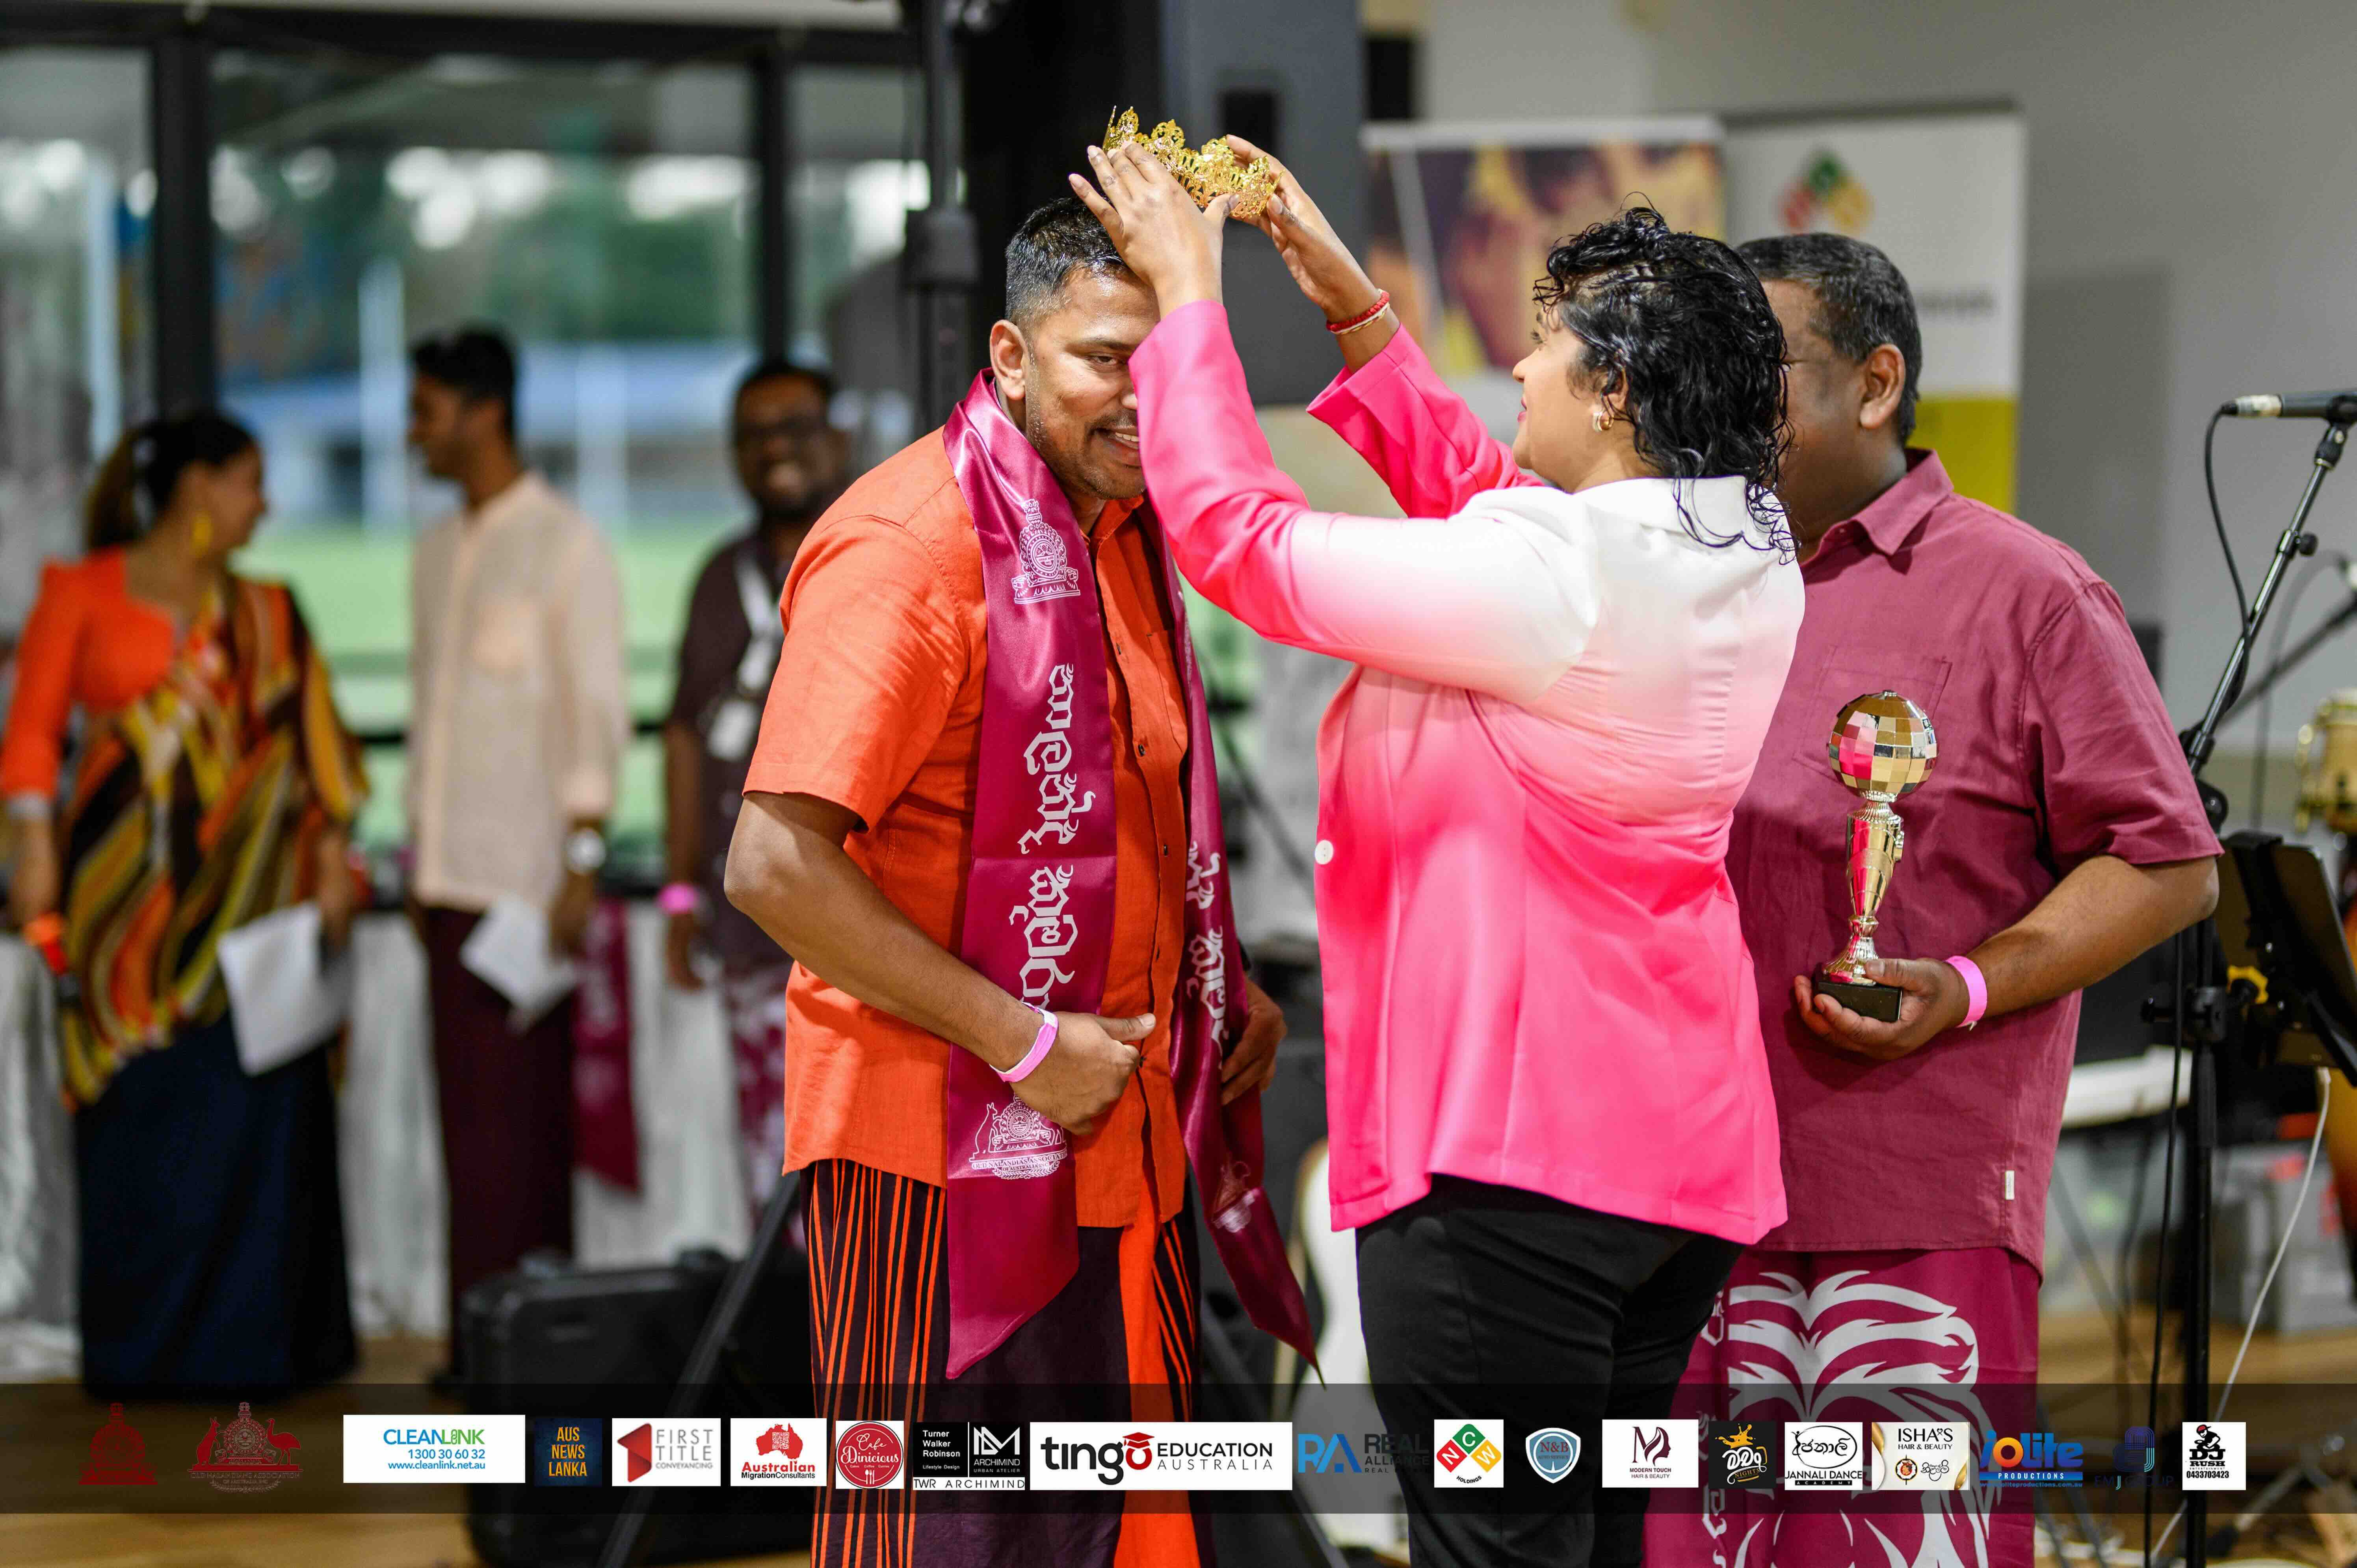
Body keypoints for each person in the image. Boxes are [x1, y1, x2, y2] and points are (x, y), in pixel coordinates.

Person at [1074, 140, 1801, 1568]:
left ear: (1615, 389)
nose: (1515, 370)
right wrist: (1351, 306)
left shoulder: (1556, 576)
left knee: (1489, 1545)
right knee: (1588, 1540)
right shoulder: (1739, 545)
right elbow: (1489, 508)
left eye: (1545, 348)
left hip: (1515, 1173)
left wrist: (1188, 299)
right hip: (1671, 1159)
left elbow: (1239, 540)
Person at [722, 196, 1310, 1568]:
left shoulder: (1126, 527)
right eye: (1103, 357)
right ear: (1007, 354)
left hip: (1124, 1136)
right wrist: (1023, 1041)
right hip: (938, 1158)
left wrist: (1211, 978)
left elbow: (1129, 804)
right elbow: (772, 861)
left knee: (1119, 1539)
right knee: (948, 1540)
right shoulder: (908, 546)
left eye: (1167, 359)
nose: (1141, 397)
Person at [1643, 234, 2220, 1568]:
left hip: (1905, 1208)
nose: (1714, 404)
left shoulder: (2025, 591)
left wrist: (1965, 985)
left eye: (1754, 370)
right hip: (1679, 1205)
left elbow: (2167, 862)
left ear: (1875, 382)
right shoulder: (1679, 578)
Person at [1, 411, 368, 1393]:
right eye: (251, 480)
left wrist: (332, 859)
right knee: (141, 1128)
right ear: (199, 488)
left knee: (254, 1128)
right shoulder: (80, 591)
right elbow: (32, 737)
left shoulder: (271, 610)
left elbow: (317, 754)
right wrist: (31, 849)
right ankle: (145, 1352)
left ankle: (255, 1349)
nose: (265, 503)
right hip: (124, 926)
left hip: (258, 917)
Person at [405, 325, 629, 1354]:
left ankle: (529, 1351)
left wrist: (580, 863)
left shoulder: (566, 545)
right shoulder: (433, 552)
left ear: (484, 410)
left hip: (527, 897)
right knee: (465, 1139)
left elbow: (596, 716)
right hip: (443, 889)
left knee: (520, 1142)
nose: (414, 432)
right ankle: (479, 1344)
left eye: (427, 411)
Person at [661, 359, 850, 1210]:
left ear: (837, 436)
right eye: (754, 436)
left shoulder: (882, 553)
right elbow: (684, 738)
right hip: (750, 923)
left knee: (862, 1157)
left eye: (795, 429)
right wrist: (678, 893)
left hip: (870, 924)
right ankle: (788, 1296)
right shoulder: (718, 580)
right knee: (769, 1157)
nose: (776, 450)